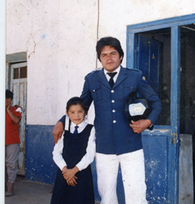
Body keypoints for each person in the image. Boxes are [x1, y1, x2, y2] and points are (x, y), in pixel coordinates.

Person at [52, 36, 161, 204]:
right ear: (99, 59)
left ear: (121, 56)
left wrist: (148, 122)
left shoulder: (135, 76)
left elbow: (156, 103)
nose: (109, 58)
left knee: (137, 194)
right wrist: (61, 121)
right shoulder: (92, 79)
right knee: (107, 195)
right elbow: (81, 106)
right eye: (104, 55)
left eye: (113, 53)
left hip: (131, 145)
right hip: (104, 147)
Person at [51, 97, 95, 204]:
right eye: (72, 112)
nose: (76, 115)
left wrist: (73, 171)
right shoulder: (63, 130)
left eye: (80, 111)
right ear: (67, 113)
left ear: (85, 112)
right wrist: (66, 171)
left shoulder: (91, 129)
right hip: (64, 174)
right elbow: (56, 153)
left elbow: (90, 155)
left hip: (81, 173)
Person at [5, 89, 22, 197]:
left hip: (12, 141)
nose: (6, 100)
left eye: (8, 98)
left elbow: (16, 120)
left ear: (11, 99)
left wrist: (8, 110)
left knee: (11, 164)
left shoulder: (16, 109)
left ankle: (11, 187)